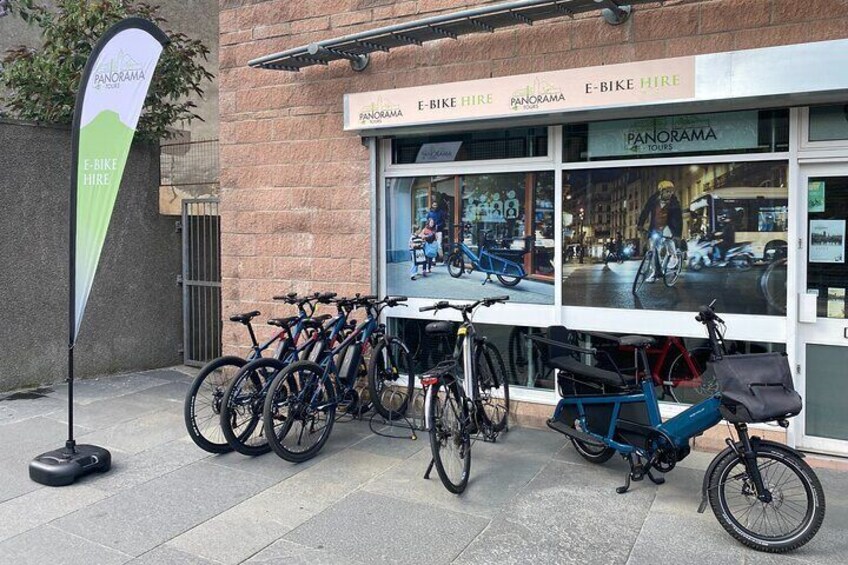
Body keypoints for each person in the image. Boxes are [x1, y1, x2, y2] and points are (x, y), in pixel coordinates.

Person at [637, 179, 683, 281]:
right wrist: (640, 224)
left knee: (668, 239)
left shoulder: (675, 203)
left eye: (671, 191)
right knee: (652, 249)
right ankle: (655, 272)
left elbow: (679, 220)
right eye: (667, 191)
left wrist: (677, 235)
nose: (670, 193)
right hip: (655, 227)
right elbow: (645, 211)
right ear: (661, 191)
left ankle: (673, 255)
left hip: (669, 226)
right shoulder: (653, 200)